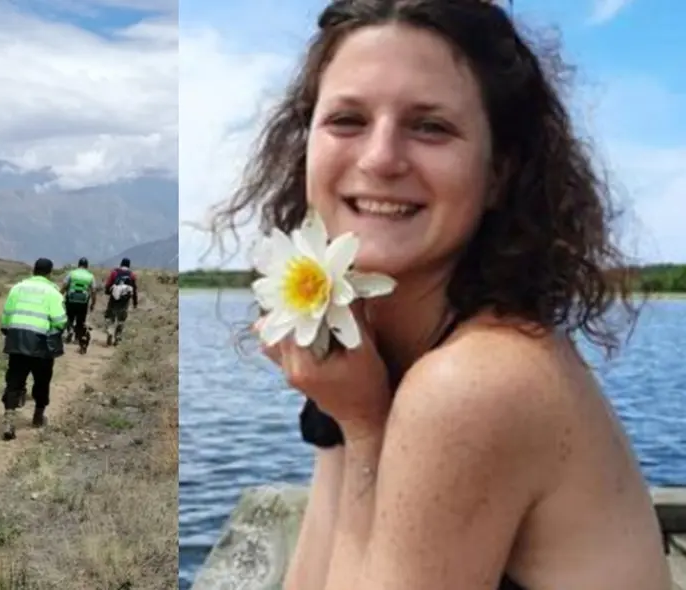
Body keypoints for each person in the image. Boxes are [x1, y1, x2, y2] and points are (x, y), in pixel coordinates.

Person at [207, 1, 671, 589]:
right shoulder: (371, 350)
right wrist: (346, 416)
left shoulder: (475, 383)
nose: (380, 158)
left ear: (498, 174)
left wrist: (364, 426)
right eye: (347, 120)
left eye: (430, 127)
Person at [0, 257, 66, 436]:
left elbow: (6, 316)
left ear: (33, 270)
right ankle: (38, 415)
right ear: (50, 273)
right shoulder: (53, 292)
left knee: (14, 380)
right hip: (40, 343)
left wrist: (8, 332)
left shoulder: (17, 288)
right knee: (42, 380)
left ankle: (9, 420)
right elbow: (60, 321)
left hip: (16, 339)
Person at [60, 257, 97, 346]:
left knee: (70, 317)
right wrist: (93, 303)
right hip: (83, 301)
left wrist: (60, 295)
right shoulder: (90, 276)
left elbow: (64, 285)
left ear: (78, 264)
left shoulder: (72, 273)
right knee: (80, 319)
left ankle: (70, 331)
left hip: (71, 299)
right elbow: (93, 290)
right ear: (87, 266)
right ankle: (77, 338)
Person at [102, 257, 138, 346]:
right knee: (121, 319)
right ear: (129, 265)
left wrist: (107, 292)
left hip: (114, 298)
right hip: (125, 300)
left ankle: (110, 331)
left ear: (121, 264)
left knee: (110, 316)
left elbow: (108, 284)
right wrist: (135, 302)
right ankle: (117, 337)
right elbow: (134, 289)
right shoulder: (132, 275)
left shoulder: (115, 272)